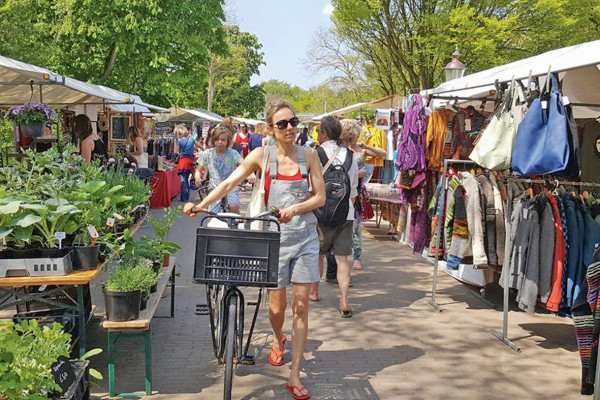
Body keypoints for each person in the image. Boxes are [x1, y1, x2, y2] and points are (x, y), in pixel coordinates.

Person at [184, 101, 326, 400]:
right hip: (273, 239)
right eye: (283, 124)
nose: (290, 128)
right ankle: (278, 338)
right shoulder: (262, 155)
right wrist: (200, 206)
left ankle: (295, 374)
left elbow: (320, 197)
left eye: (293, 121)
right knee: (276, 307)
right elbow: (228, 184)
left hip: (305, 238)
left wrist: (297, 208)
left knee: (301, 306)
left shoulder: (310, 155)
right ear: (271, 130)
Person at [309, 116, 358, 318]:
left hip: (321, 212)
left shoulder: (315, 153)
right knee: (342, 259)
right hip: (345, 213)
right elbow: (353, 190)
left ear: (325, 133)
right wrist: (345, 210)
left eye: (319, 131)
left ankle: (314, 292)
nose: (317, 134)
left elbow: (311, 187)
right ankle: (344, 301)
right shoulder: (350, 155)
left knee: (317, 254)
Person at [194, 119, 243, 214]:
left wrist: (251, 175)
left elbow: (244, 165)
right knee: (213, 214)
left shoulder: (233, 153)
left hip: (231, 187)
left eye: (223, 140)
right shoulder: (208, 154)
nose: (220, 142)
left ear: (228, 141)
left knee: (233, 207)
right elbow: (198, 170)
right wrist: (197, 178)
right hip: (214, 187)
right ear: (213, 140)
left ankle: (238, 225)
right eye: (217, 139)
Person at [174, 124, 197, 202]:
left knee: (184, 180)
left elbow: (176, 152)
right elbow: (199, 147)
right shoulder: (192, 139)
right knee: (188, 178)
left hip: (183, 162)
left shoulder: (179, 142)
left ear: (179, 133)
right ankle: (187, 195)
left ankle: (184, 197)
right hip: (191, 161)